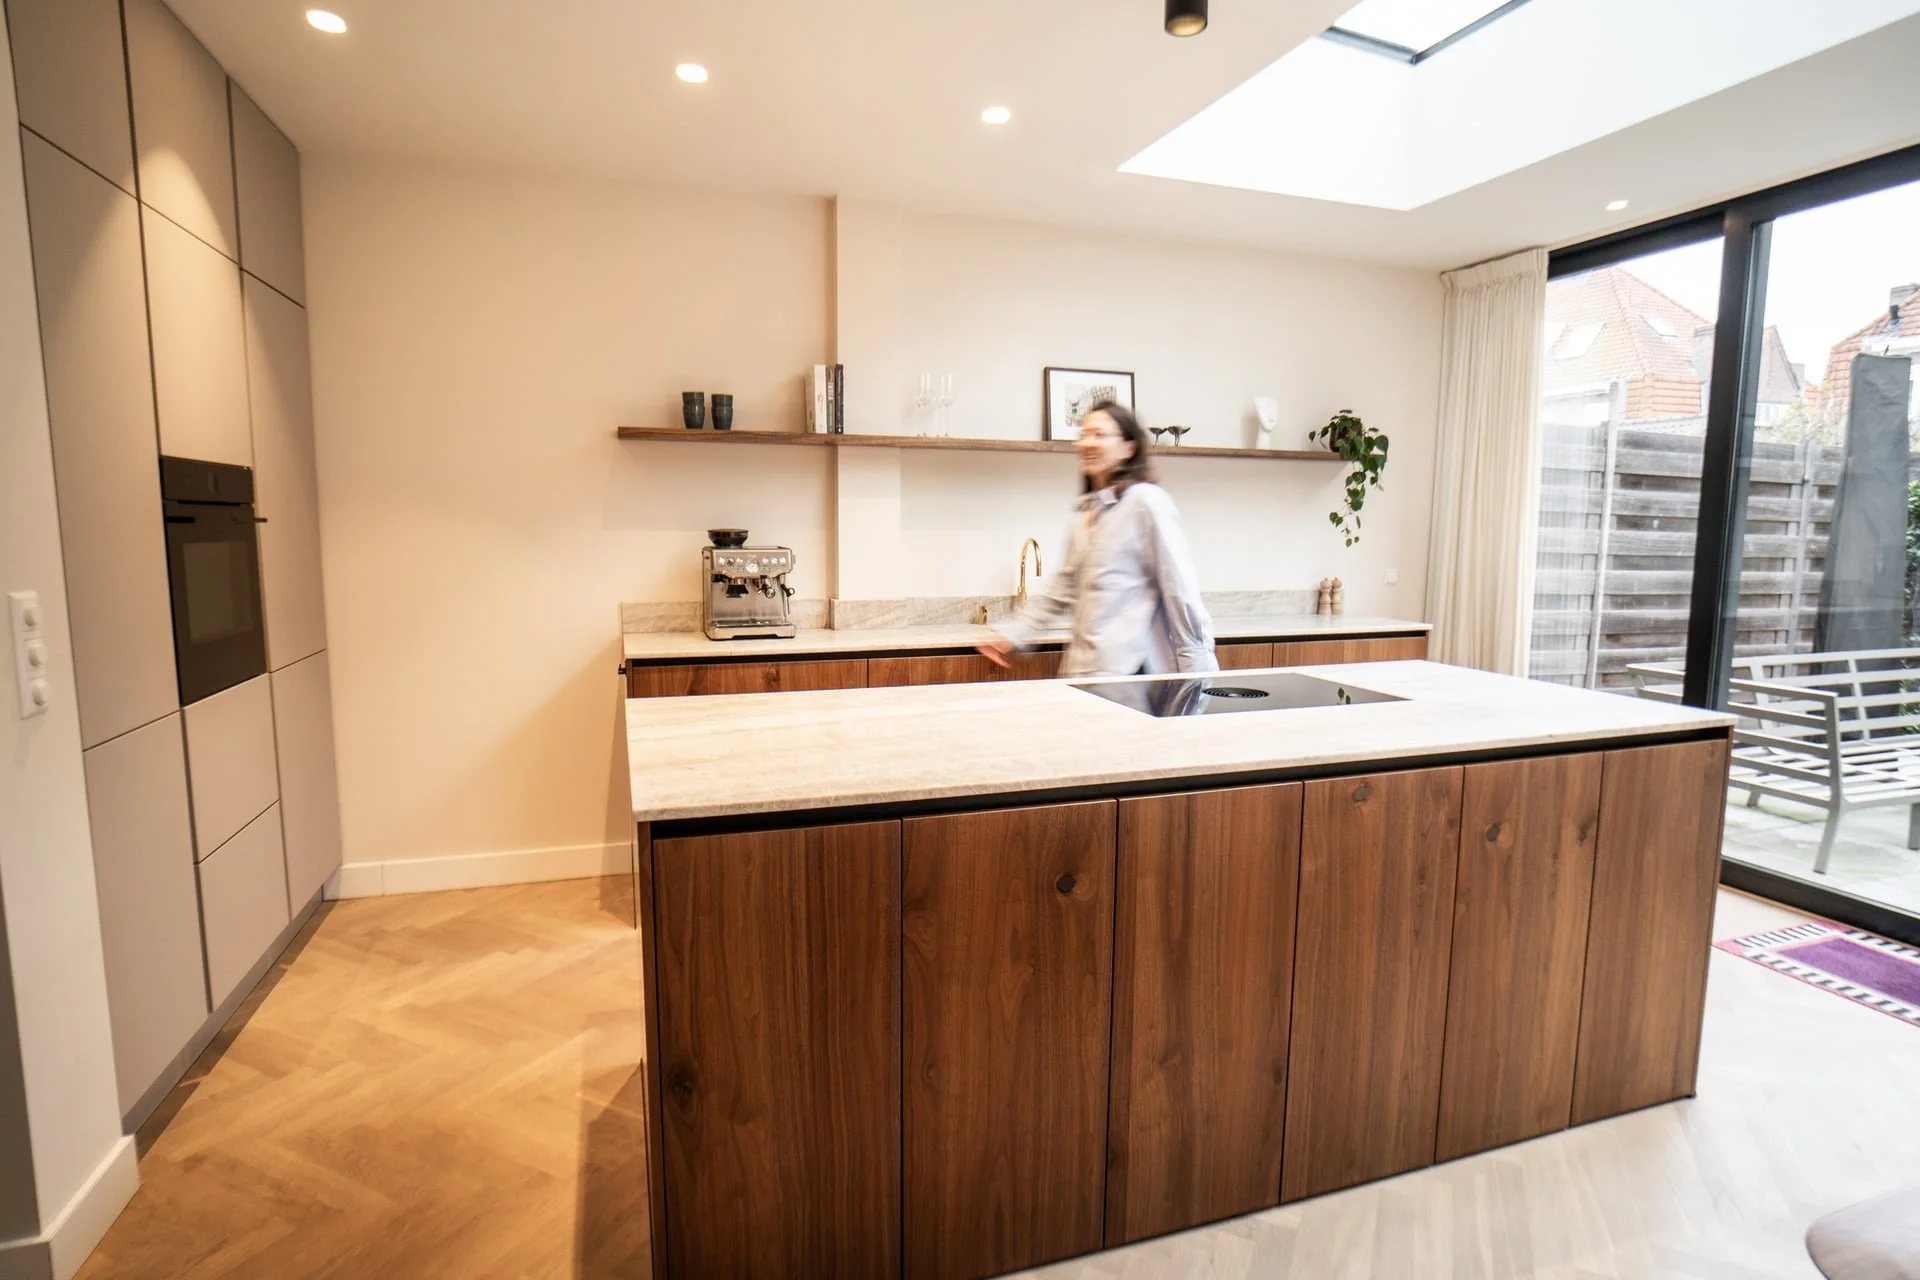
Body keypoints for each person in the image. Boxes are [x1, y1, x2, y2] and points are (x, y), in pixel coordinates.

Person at [979, 402, 1216, 677]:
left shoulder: (1146, 501)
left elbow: (1180, 591)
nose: (1087, 443)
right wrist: (1014, 632)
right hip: (1084, 672)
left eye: (1099, 435)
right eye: (1083, 435)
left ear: (1129, 447)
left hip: (1131, 675)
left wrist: (1197, 675)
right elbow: (1063, 587)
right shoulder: (1085, 512)